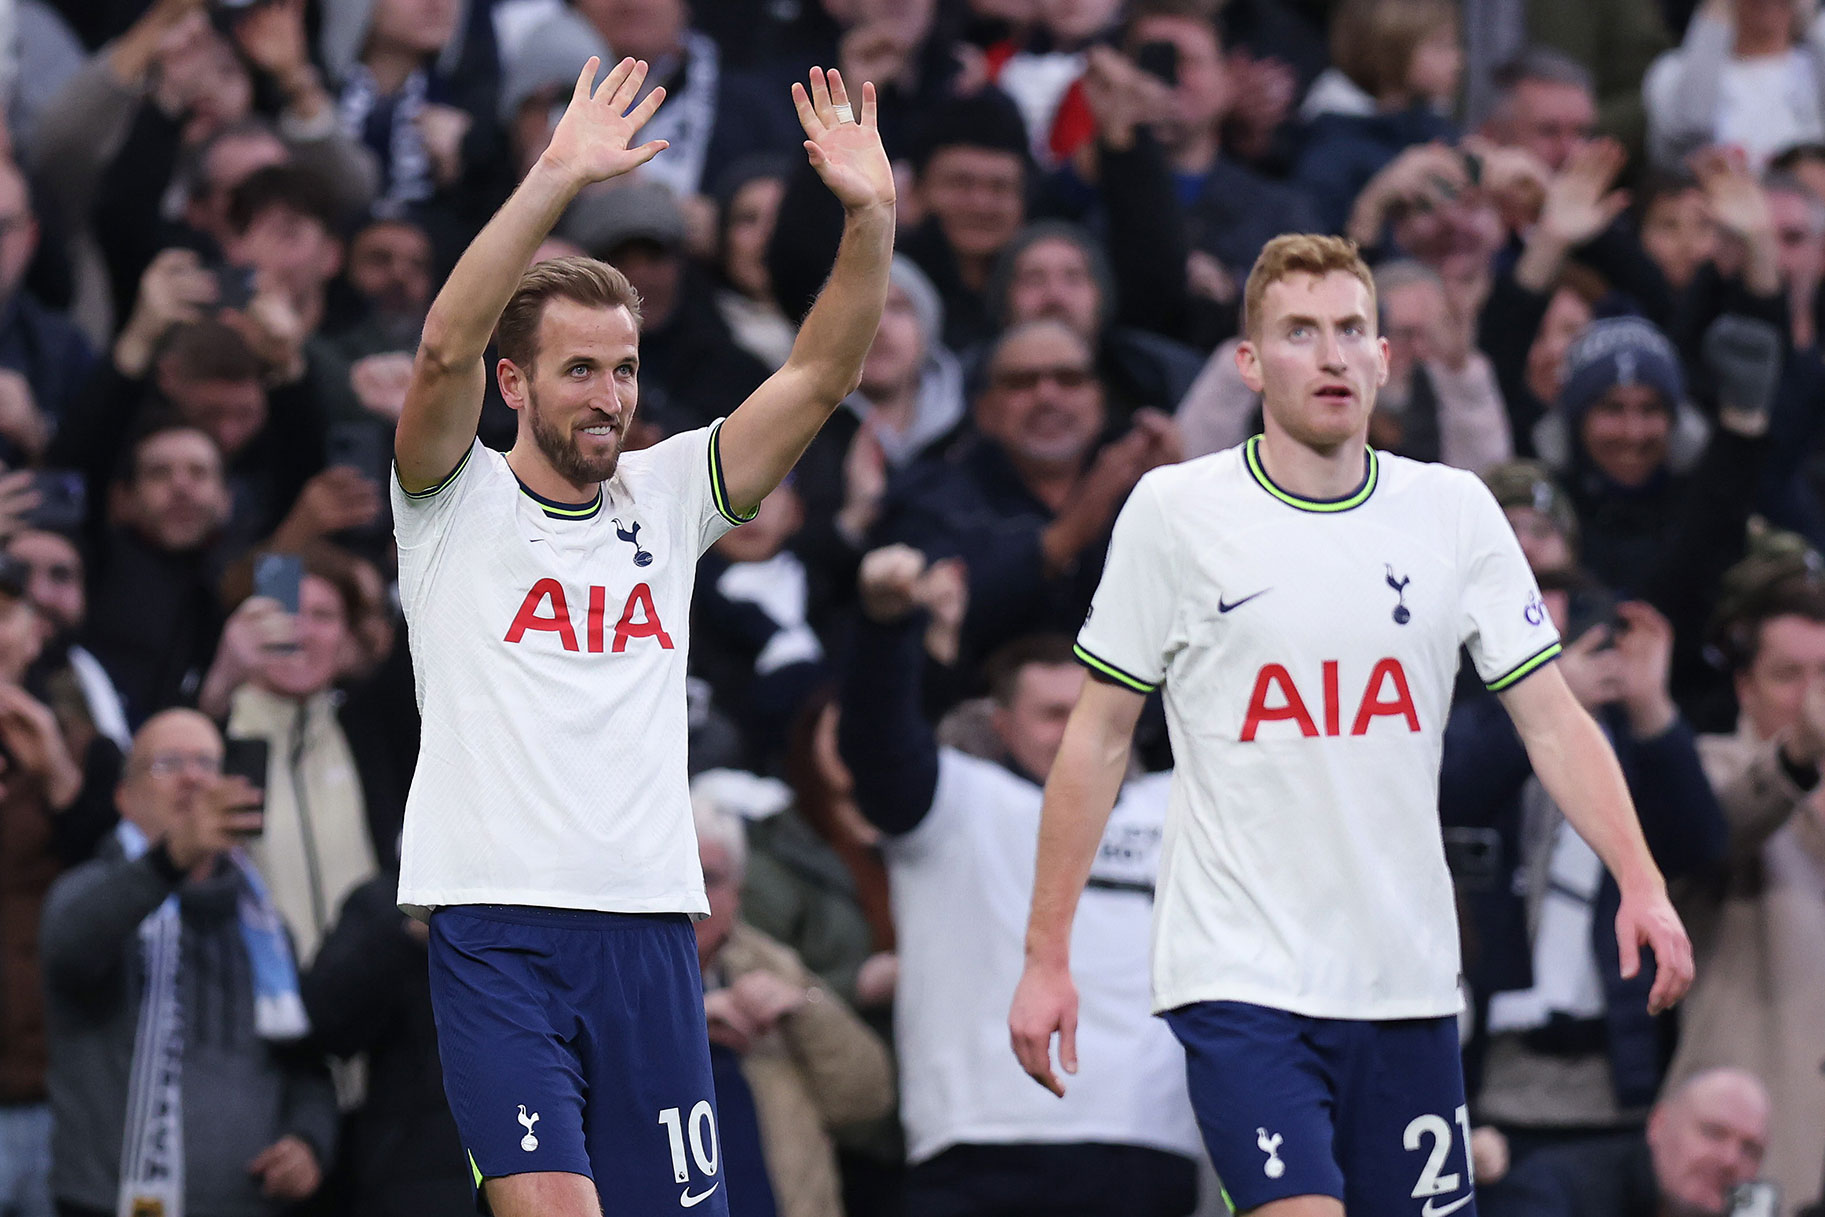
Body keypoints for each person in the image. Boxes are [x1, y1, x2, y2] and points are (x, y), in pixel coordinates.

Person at [1008, 233, 1695, 1217]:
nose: (1329, 355)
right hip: (1240, 978)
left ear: (1383, 357)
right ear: (1250, 364)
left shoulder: (1454, 509)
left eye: (1349, 331)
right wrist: (1045, 955)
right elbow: (1096, 737)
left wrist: (1641, 878)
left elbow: (1550, 719)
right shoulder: (1174, 510)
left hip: (1407, 985)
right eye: (1298, 332)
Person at [389, 55, 894, 1217]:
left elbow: (820, 373)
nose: (608, 395)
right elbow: (437, 353)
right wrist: (555, 176)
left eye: (622, 368)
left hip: (654, 933)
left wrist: (870, 216)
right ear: (514, 382)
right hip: (498, 926)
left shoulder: (668, 498)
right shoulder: (449, 500)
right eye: (579, 370)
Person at [841, 547, 1203, 1217]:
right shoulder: (958, 801)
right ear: (1000, 725)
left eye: (1090, 712)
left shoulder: (1183, 806)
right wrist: (885, 627)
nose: (1076, 736)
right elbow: (877, 749)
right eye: (1050, 714)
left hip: (1146, 1143)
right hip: (976, 1143)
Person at [40, 708, 335, 1217]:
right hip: (105, 1205)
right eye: (169, 763)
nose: (194, 777)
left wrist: (309, 1142)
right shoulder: (83, 892)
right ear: (124, 798)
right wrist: (171, 858)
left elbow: (304, 1064)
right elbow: (73, 949)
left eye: (208, 763)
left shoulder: (261, 920)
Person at [1478, 1068, 1771, 1217]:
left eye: (1751, 1150)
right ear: (1659, 1125)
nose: (1730, 1159)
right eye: (1713, 1133)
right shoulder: (1552, 1190)